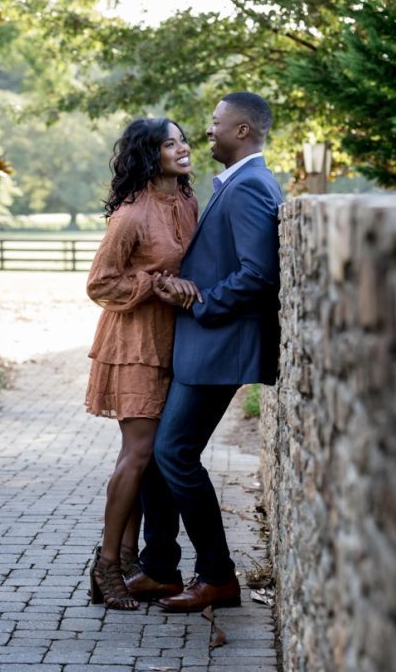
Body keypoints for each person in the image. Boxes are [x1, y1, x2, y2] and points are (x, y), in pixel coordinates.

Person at [124, 92, 283, 612]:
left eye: (215, 124)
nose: (206, 133)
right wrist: (181, 288)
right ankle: (160, 569)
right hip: (203, 345)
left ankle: (217, 576)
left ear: (241, 131)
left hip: (220, 347)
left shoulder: (251, 187)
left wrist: (203, 302)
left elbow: (258, 275)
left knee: (173, 454)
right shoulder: (232, 185)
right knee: (158, 459)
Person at [84, 118, 200, 610]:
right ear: (150, 155)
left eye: (183, 139)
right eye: (169, 143)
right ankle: (107, 564)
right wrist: (154, 285)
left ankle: (129, 558)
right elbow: (99, 284)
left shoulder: (190, 203)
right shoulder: (130, 216)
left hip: (174, 341)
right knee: (138, 454)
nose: (183, 148)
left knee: (148, 456)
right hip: (132, 343)